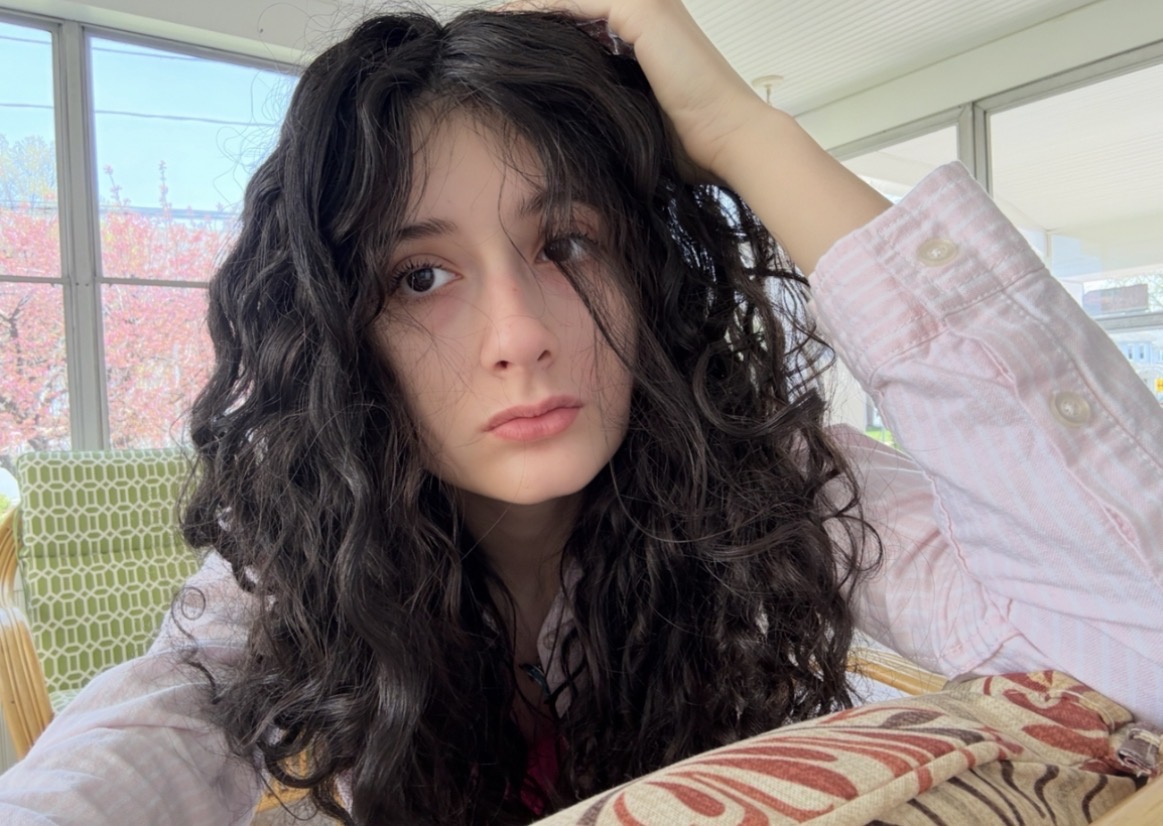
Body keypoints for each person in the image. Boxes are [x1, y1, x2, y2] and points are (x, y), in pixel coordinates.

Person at [1, 1, 1161, 824]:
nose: (517, 334)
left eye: (564, 244)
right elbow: (119, 757)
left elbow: (1134, 627)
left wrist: (744, 134)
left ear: (643, 274)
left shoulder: (770, 486)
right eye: (420, 276)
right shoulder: (288, 583)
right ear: (345, 333)